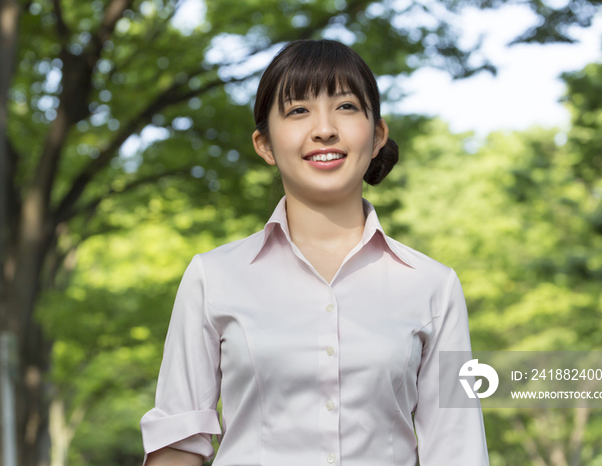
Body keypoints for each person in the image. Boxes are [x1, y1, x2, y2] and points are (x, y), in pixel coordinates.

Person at [140, 39, 490, 466]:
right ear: (264, 144)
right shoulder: (212, 277)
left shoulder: (435, 285)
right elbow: (178, 441)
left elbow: (458, 446)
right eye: (298, 110)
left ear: (377, 134)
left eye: (345, 106)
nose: (324, 128)